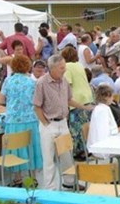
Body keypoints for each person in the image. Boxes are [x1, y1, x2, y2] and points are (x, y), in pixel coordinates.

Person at [34, 54, 93, 190]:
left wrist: (84, 107)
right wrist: (46, 124)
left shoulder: (64, 81)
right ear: (53, 68)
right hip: (49, 123)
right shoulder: (42, 83)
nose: (64, 70)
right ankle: (50, 189)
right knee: (49, 158)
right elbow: (37, 106)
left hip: (63, 123)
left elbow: (69, 99)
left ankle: (69, 181)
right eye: (62, 68)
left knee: (67, 155)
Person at [0, 55, 43, 187]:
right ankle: (33, 177)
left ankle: (17, 178)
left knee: (15, 148)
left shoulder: (8, 81)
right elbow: (37, 101)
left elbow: (1, 100)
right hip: (30, 119)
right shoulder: (32, 82)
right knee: (32, 148)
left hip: (13, 120)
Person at [61, 46, 95, 160]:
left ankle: (78, 151)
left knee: (76, 128)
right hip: (87, 97)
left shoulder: (66, 67)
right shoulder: (80, 65)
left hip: (77, 100)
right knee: (86, 126)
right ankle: (86, 148)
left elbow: (68, 86)